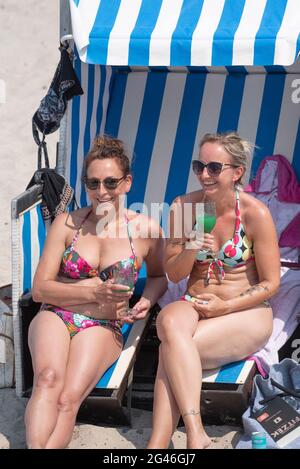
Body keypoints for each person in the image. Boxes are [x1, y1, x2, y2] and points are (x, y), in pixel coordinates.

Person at [25, 135, 167, 449]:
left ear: (127, 182)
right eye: (92, 183)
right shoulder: (67, 224)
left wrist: (147, 299)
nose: (101, 192)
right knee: (47, 379)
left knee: (67, 399)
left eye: (110, 182)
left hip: (104, 326)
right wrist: (92, 290)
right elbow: (39, 290)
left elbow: (159, 276)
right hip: (56, 315)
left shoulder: (146, 231)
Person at [147, 132, 280, 449]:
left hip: (244, 311)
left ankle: (158, 442)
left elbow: (271, 283)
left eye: (214, 167)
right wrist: (192, 245)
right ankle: (196, 434)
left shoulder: (254, 213)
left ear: (237, 172)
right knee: (167, 321)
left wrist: (225, 306)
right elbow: (174, 272)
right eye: (199, 166)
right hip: (194, 301)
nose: (204, 175)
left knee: (171, 350)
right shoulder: (184, 206)